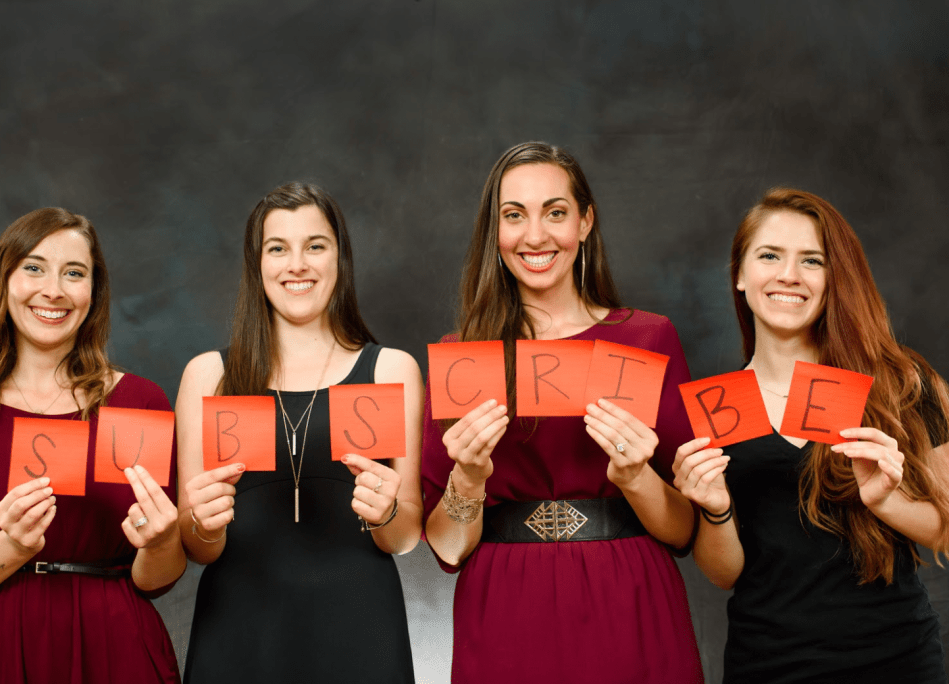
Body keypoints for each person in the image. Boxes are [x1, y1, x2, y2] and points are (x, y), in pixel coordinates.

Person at [421, 142, 704, 683]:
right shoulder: (463, 357)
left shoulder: (647, 338)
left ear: (585, 221)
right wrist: (469, 478)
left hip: (630, 595)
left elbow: (685, 530)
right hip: (504, 606)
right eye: (513, 216)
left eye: (555, 212)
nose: (535, 236)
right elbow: (449, 549)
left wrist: (635, 477)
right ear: (494, 231)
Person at [672, 188, 949, 683]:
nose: (789, 276)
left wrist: (887, 502)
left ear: (832, 277)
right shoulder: (715, 406)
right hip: (769, 663)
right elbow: (723, 574)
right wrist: (716, 509)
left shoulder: (902, 383)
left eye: (812, 261)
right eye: (770, 255)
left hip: (897, 659)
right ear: (740, 273)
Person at [0, 208, 186, 684]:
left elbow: (157, 579)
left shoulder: (136, 401)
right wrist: (12, 547)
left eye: (74, 273)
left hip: (116, 649)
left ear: (94, 293)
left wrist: (164, 541)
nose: (54, 290)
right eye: (34, 267)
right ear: (3, 281)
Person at [176, 182, 423, 683]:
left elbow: (406, 535)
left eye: (315, 245)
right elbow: (196, 545)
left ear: (340, 257)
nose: (297, 265)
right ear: (256, 264)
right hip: (240, 630)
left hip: (360, 628)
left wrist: (388, 513)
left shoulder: (390, 369)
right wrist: (202, 522)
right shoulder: (208, 376)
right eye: (277, 248)